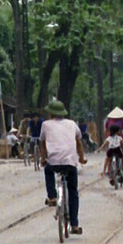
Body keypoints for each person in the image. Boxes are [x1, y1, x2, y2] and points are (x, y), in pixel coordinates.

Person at [40, 100, 88, 234]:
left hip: (54, 162)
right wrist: (82, 158)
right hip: (70, 163)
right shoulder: (72, 124)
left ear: (51, 113)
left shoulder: (45, 125)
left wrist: (43, 159)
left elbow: (43, 144)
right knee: (73, 191)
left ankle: (52, 197)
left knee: (48, 170)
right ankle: (74, 224)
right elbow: (78, 143)